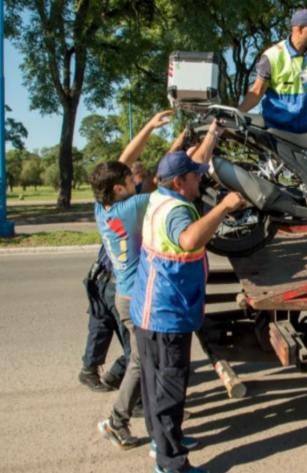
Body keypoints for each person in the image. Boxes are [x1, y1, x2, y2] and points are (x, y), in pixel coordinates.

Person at [130, 149, 246, 473]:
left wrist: (211, 135)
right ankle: (171, 464)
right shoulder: (177, 211)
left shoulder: (158, 197)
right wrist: (223, 207)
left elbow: (193, 159)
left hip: (150, 312)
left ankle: (162, 441)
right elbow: (189, 239)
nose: (200, 179)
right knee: (169, 391)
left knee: (155, 386)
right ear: (179, 182)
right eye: (194, 176)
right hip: (167, 316)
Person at [91, 110, 174, 449]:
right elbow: (171, 183)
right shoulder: (135, 206)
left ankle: (124, 419)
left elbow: (124, 161)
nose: (136, 180)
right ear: (119, 188)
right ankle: (117, 420)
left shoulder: (103, 207)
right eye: (130, 180)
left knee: (142, 361)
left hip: (123, 294)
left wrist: (149, 128)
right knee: (142, 363)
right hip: (135, 298)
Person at [238, 7, 307, 242]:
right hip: (280, 129)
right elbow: (257, 91)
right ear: (298, 29)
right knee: (275, 178)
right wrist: (237, 113)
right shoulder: (273, 56)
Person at [77, 246, 128, 392]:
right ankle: (125, 383)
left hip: (103, 275)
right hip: (111, 279)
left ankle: (95, 370)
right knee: (135, 344)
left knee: (101, 325)